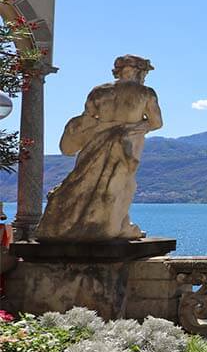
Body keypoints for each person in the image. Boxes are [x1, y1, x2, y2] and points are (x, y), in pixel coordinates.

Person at [37, 55, 162, 241]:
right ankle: (112, 228)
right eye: (144, 72)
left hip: (94, 145)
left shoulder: (99, 92)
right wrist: (134, 127)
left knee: (84, 185)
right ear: (138, 71)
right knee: (119, 186)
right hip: (125, 146)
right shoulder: (145, 93)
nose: (144, 77)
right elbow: (156, 122)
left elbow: (86, 120)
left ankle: (79, 225)